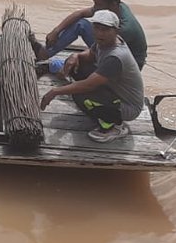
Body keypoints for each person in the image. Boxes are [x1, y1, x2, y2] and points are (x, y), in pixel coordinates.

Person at [39, 9, 145, 143]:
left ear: (116, 31)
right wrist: (75, 55)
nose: (100, 33)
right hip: (113, 89)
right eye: (97, 28)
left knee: (80, 95)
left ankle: (115, 126)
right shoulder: (103, 42)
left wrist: (54, 92)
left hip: (128, 106)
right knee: (75, 66)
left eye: (105, 30)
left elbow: (88, 85)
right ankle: (103, 111)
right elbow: (89, 55)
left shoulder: (115, 57)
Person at [38, 0, 148, 68]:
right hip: (110, 48)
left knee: (78, 67)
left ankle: (50, 59)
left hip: (126, 62)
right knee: (81, 24)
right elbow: (80, 13)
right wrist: (56, 31)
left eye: (98, 4)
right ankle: (45, 53)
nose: (95, 7)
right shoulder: (116, 7)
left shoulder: (125, 28)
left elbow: (101, 48)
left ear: (113, 4)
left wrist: (77, 57)